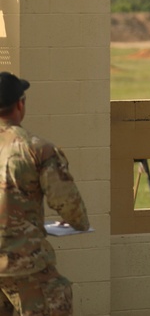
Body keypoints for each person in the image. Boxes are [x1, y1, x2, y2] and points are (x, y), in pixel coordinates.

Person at [0, 72, 89, 315]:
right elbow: (72, 209)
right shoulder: (38, 150)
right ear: (20, 104)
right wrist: (78, 222)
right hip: (25, 266)